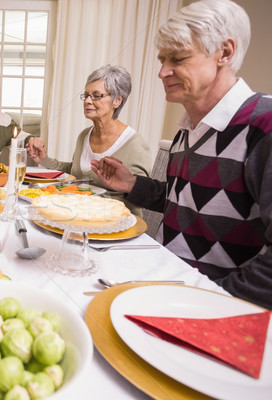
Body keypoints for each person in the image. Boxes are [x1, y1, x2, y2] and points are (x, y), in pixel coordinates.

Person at [91, 0, 272, 309]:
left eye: (178, 58)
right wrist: (132, 184)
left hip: (211, 306)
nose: (163, 72)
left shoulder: (263, 125)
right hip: (163, 282)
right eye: (162, 59)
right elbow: (185, 201)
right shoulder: (188, 128)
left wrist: (205, 297)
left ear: (224, 53)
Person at [26, 65, 150, 216]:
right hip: (77, 217)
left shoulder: (135, 145)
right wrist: (44, 159)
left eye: (96, 95)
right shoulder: (85, 135)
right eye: (86, 95)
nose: (88, 101)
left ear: (117, 101)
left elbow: (140, 198)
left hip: (116, 225)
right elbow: (74, 172)